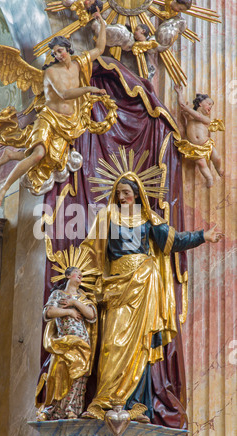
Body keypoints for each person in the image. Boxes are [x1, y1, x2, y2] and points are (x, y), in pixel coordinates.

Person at [79, 170, 224, 420]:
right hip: (116, 286)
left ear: (136, 195)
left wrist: (203, 236)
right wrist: (85, 285)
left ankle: (135, 404)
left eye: (127, 193)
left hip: (145, 284)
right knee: (111, 343)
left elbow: (174, 240)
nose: (122, 197)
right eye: (119, 193)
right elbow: (92, 251)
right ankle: (101, 402)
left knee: (140, 345)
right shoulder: (107, 216)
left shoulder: (148, 219)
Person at [0, 7, 107, 206]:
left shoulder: (80, 63)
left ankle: (11, 155)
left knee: (50, 160)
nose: (58, 56)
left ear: (68, 49)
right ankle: (3, 189)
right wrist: (89, 89)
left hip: (69, 122)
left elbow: (100, 49)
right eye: (55, 53)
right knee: (38, 155)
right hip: (49, 117)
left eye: (60, 51)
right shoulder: (51, 72)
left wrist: (103, 25)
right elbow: (64, 94)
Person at [35, 267, 97, 420]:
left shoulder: (83, 297)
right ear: (68, 275)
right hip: (62, 342)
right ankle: (53, 407)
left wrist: (74, 302)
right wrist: (69, 312)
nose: (81, 275)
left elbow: (91, 315)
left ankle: (72, 409)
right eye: (77, 273)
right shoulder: (58, 294)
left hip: (81, 342)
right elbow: (48, 313)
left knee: (79, 375)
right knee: (57, 372)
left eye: (82, 274)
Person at [174, 84, 224, 187]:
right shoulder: (190, 116)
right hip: (194, 147)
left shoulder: (205, 119)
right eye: (209, 103)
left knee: (217, 158)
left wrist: (187, 109)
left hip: (205, 144)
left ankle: (219, 169)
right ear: (200, 103)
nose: (210, 106)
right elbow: (182, 105)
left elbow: (195, 114)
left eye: (211, 105)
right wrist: (179, 93)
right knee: (201, 163)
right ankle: (209, 178)